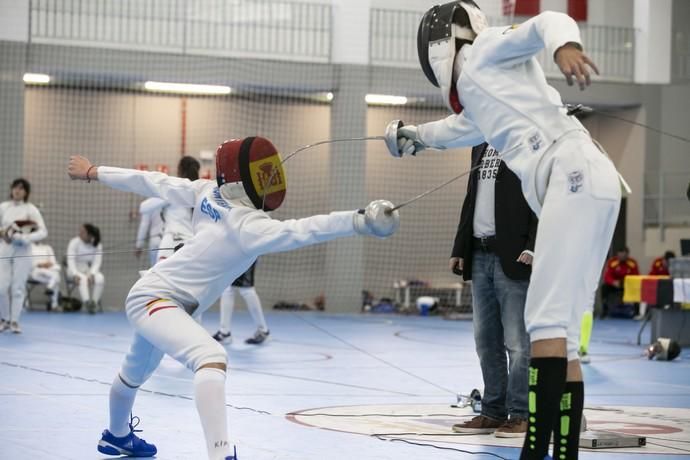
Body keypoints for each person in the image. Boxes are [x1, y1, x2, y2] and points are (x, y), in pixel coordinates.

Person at [67, 136, 400, 460]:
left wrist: (94, 170)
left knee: (134, 371)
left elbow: (151, 181)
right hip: (156, 299)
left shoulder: (206, 191)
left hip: (158, 297)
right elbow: (305, 229)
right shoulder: (248, 225)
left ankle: (116, 436)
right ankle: (221, 454)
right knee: (211, 356)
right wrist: (359, 221)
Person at [386, 3, 622, 458]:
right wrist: (412, 136)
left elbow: (546, 22)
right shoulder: (481, 96)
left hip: (570, 173)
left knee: (544, 323)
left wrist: (565, 46)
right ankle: (564, 453)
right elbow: (458, 130)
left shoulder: (485, 52)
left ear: (440, 43)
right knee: (565, 336)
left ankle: (535, 451)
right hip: (593, 179)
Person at [449, 143, 537, 438]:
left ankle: (521, 414)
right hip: (480, 253)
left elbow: (543, 196)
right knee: (486, 341)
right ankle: (492, 411)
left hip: (512, 255)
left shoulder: (525, 144)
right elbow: (470, 199)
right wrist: (460, 247)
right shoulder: (480, 147)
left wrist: (534, 245)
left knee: (518, 342)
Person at [0, 178, 48, 333]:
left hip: (23, 250)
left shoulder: (31, 209)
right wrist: (4, 234)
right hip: (5, 249)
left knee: (18, 288)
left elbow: (43, 232)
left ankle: (14, 321)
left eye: (21, 188)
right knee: (1, 287)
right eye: (15, 187)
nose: (17, 191)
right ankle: (4, 319)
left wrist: (25, 238)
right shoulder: (3, 207)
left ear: (26, 192)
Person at [142, 156, 200, 263]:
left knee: (160, 277)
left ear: (180, 170)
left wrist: (162, 195)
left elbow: (144, 208)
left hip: (170, 242)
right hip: (191, 243)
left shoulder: (174, 189)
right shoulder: (200, 191)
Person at [213, 262, 270, 345]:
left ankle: (263, 331)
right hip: (234, 253)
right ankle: (224, 332)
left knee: (246, 289)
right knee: (228, 288)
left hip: (245, 251)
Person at [66, 223, 104, 314]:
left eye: (83, 232)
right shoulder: (74, 242)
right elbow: (70, 260)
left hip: (87, 270)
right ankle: (87, 303)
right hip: (73, 270)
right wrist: (75, 274)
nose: (80, 233)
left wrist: (92, 274)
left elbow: (97, 262)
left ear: (90, 235)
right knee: (82, 278)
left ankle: (94, 303)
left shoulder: (97, 245)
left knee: (100, 278)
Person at [601, 246, 639, 318]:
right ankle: (604, 311)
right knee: (604, 288)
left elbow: (636, 276)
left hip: (628, 286)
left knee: (637, 289)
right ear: (617, 255)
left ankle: (637, 312)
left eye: (624, 256)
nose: (622, 257)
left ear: (627, 255)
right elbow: (607, 277)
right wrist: (613, 282)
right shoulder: (612, 262)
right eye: (620, 255)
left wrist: (628, 283)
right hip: (615, 285)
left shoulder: (632, 263)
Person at [29, 241, 62, 311]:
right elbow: (28, 262)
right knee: (56, 278)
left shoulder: (47, 247)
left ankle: (50, 289)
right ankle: (54, 304)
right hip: (35, 271)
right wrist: (39, 265)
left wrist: (48, 264)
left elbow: (53, 261)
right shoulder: (29, 247)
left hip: (48, 271)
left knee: (56, 276)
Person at [135, 197, 165, 268]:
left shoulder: (149, 203)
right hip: (169, 240)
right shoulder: (173, 199)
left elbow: (144, 225)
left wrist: (139, 246)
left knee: (155, 270)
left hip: (155, 241)